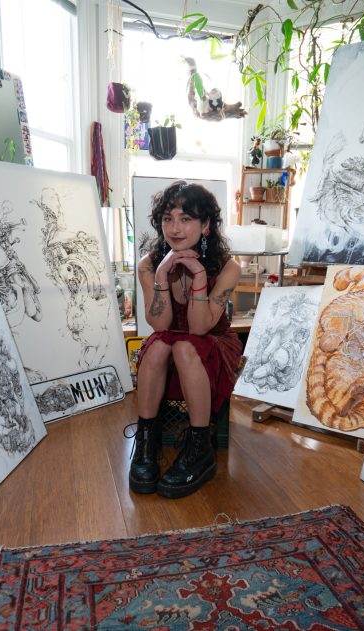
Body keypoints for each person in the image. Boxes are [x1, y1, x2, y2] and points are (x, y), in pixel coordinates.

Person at [128, 181, 242, 498]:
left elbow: (200, 327)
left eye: (186, 218)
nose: (175, 228)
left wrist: (200, 277)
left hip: (212, 341)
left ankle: (199, 447)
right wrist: (162, 276)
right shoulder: (149, 265)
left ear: (205, 226)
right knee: (161, 343)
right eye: (168, 218)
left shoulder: (229, 267)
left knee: (183, 344)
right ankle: (147, 443)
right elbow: (160, 323)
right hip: (172, 341)